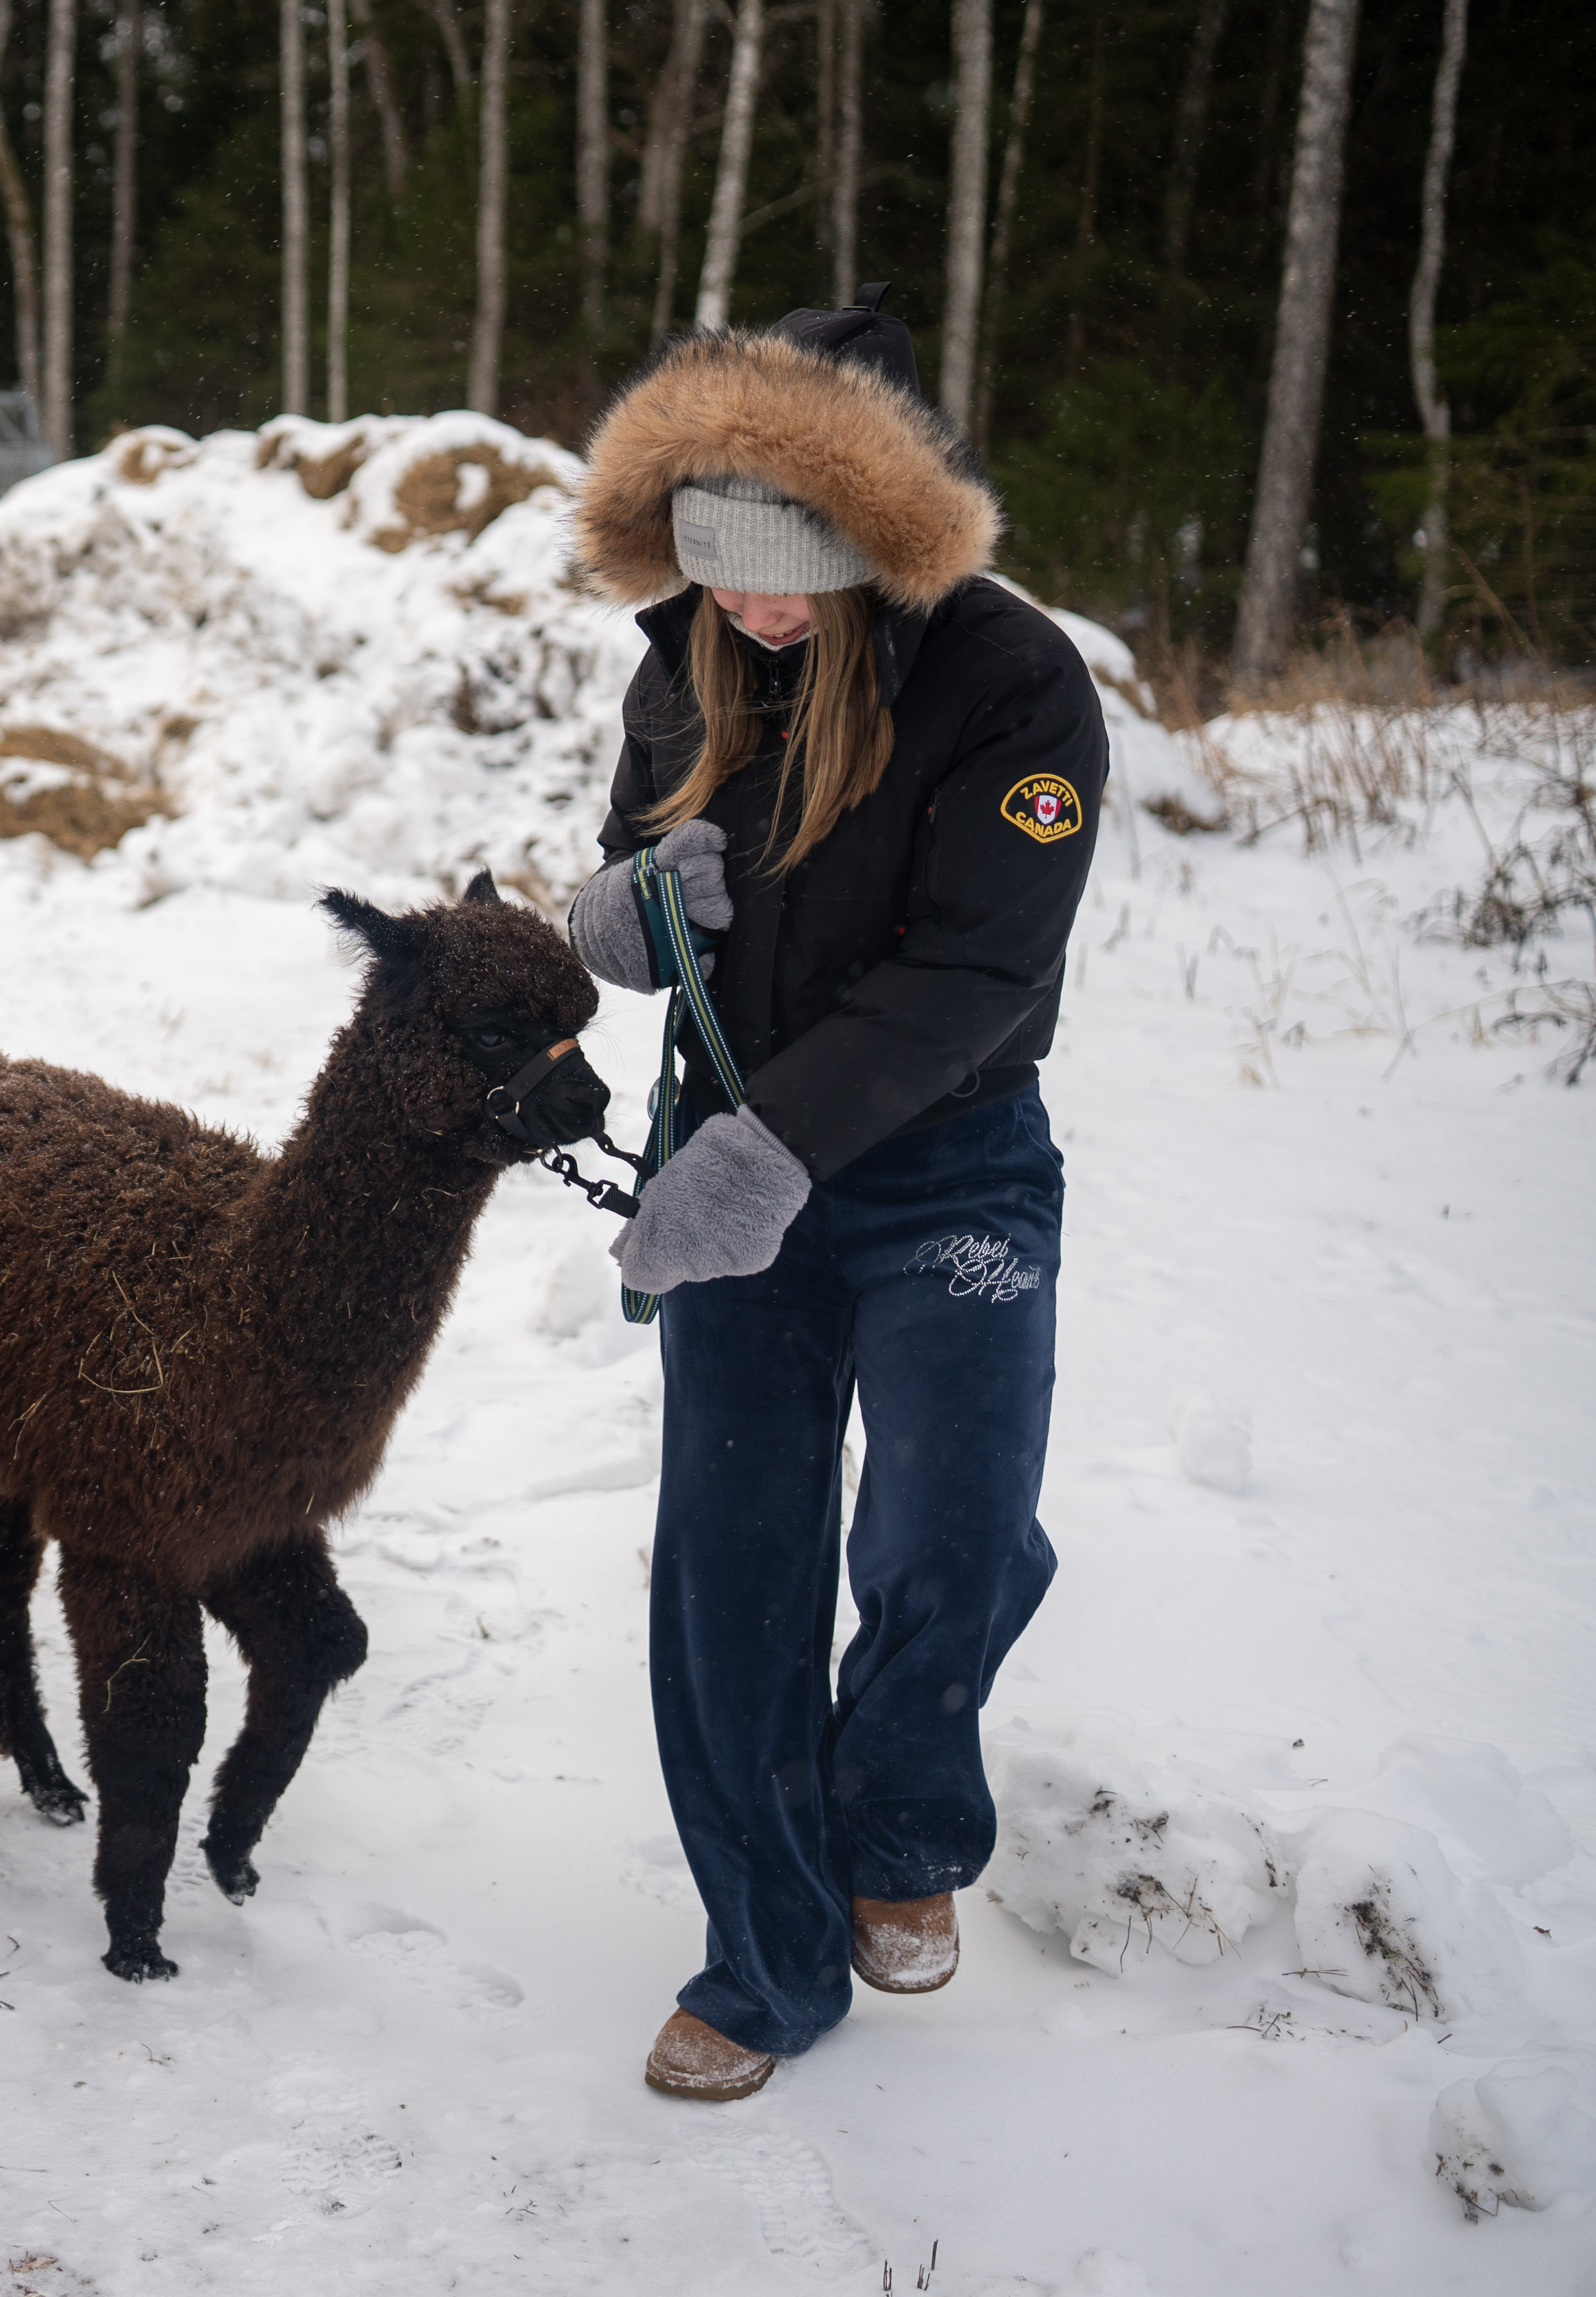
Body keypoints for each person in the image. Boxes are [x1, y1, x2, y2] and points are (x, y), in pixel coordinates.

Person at [565, 296, 1106, 2102]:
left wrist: (772, 1145)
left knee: (952, 1533)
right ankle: (765, 1955)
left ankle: (896, 1801)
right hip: (732, 1175)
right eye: (719, 568)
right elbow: (629, 859)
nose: (754, 612)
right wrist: (632, 913)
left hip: (938, 1162)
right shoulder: (686, 654)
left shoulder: (1008, 682)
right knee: (731, 1566)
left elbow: (975, 972)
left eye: (793, 574)